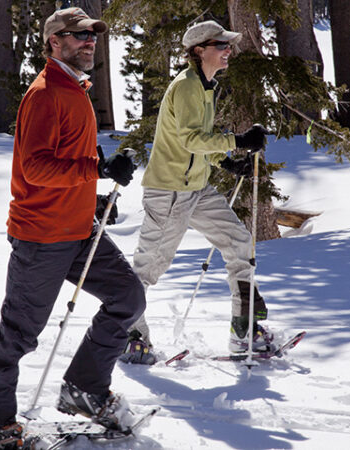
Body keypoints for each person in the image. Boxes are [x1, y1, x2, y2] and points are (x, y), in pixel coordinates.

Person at [0, 8, 145, 448]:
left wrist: (95, 195)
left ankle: (83, 388)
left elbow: (69, 162)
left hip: (79, 228)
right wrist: (96, 169)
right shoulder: (47, 93)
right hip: (42, 236)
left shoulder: (75, 89)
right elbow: (35, 167)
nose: (89, 41)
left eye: (92, 35)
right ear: (54, 41)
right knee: (19, 335)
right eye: (79, 35)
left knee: (127, 297)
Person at [121, 20, 272, 365]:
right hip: (170, 191)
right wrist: (238, 141)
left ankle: (244, 329)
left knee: (237, 242)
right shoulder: (188, 85)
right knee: (149, 267)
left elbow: (195, 141)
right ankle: (128, 334)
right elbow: (190, 140)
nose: (228, 51)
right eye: (221, 45)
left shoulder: (206, 86)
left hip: (196, 188)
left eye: (228, 45)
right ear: (199, 50)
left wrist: (226, 161)